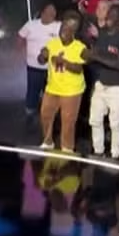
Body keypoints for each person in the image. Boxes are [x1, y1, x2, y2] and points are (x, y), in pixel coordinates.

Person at [38, 12, 89, 154]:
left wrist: (64, 62)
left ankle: (67, 148)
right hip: (52, 88)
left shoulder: (80, 48)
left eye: (69, 28)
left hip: (71, 90)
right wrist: (42, 56)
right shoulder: (52, 43)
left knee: (68, 121)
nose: (64, 31)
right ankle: (48, 142)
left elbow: (79, 69)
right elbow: (41, 60)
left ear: (75, 32)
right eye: (63, 26)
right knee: (45, 115)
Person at [87, 4, 119, 159]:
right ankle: (98, 151)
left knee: (115, 123)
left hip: (118, 87)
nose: (108, 17)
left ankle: (115, 155)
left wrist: (95, 56)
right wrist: (89, 55)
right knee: (95, 120)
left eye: (113, 15)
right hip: (101, 83)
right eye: (108, 13)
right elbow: (96, 55)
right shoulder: (102, 35)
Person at [19, 2, 60, 118]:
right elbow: (21, 37)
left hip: (52, 68)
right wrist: (21, 52)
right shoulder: (31, 25)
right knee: (33, 90)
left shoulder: (58, 26)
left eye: (54, 11)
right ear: (42, 12)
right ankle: (30, 111)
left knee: (51, 92)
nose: (52, 13)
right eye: (49, 10)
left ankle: (51, 113)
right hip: (33, 66)